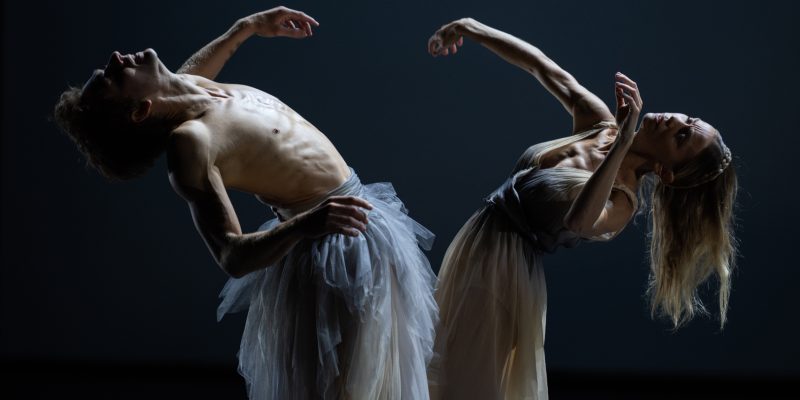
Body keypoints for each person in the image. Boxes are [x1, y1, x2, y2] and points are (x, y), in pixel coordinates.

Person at [53, 6, 437, 399]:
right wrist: (306, 224)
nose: (116, 58)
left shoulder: (188, 87)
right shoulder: (192, 142)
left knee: (384, 377)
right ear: (141, 110)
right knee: (347, 387)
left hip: (361, 216)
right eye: (114, 77)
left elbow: (185, 76)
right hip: (330, 245)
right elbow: (231, 255)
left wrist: (246, 27)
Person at [425, 18, 738, 400]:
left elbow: (578, 220)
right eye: (688, 120)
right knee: (431, 368)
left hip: (503, 279)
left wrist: (623, 143)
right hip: (474, 248)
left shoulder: (622, 202)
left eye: (682, 136)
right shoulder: (599, 124)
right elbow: (540, 65)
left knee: (457, 384)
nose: (674, 121)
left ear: (666, 172)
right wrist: (469, 27)